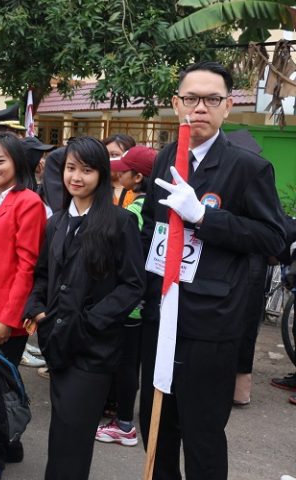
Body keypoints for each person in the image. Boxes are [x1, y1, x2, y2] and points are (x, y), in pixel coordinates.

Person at [139, 61, 286, 480]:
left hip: (210, 324)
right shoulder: (166, 158)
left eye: (211, 99)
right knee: (157, 428)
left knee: (201, 435)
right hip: (162, 314)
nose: (199, 108)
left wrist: (205, 218)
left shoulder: (248, 167)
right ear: (176, 104)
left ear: (228, 106)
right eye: (191, 98)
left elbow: (273, 238)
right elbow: (151, 227)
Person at [23, 136, 145, 479]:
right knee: (61, 433)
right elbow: (43, 275)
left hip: (93, 348)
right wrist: (38, 310)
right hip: (57, 342)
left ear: (102, 174)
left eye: (87, 170)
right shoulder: (56, 222)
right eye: (71, 168)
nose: (76, 177)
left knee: (73, 437)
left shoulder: (119, 222)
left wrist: (90, 321)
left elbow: (133, 285)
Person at [0, 133, 45, 475]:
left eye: (0, 161)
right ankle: (7, 445)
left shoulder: (28, 202)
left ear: (17, 162)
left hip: (5, 314)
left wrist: (9, 317)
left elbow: (27, 265)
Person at [94, 144, 156, 447]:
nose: (119, 174)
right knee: (133, 361)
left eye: (124, 171)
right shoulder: (155, 206)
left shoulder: (134, 212)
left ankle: (124, 424)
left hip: (129, 304)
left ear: (138, 177)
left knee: (126, 363)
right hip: (145, 300)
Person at [103, 133, 137, 208]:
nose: (108, 160)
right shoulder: (95, 188)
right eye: (105, 155)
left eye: (114, 155)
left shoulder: (138, 191)